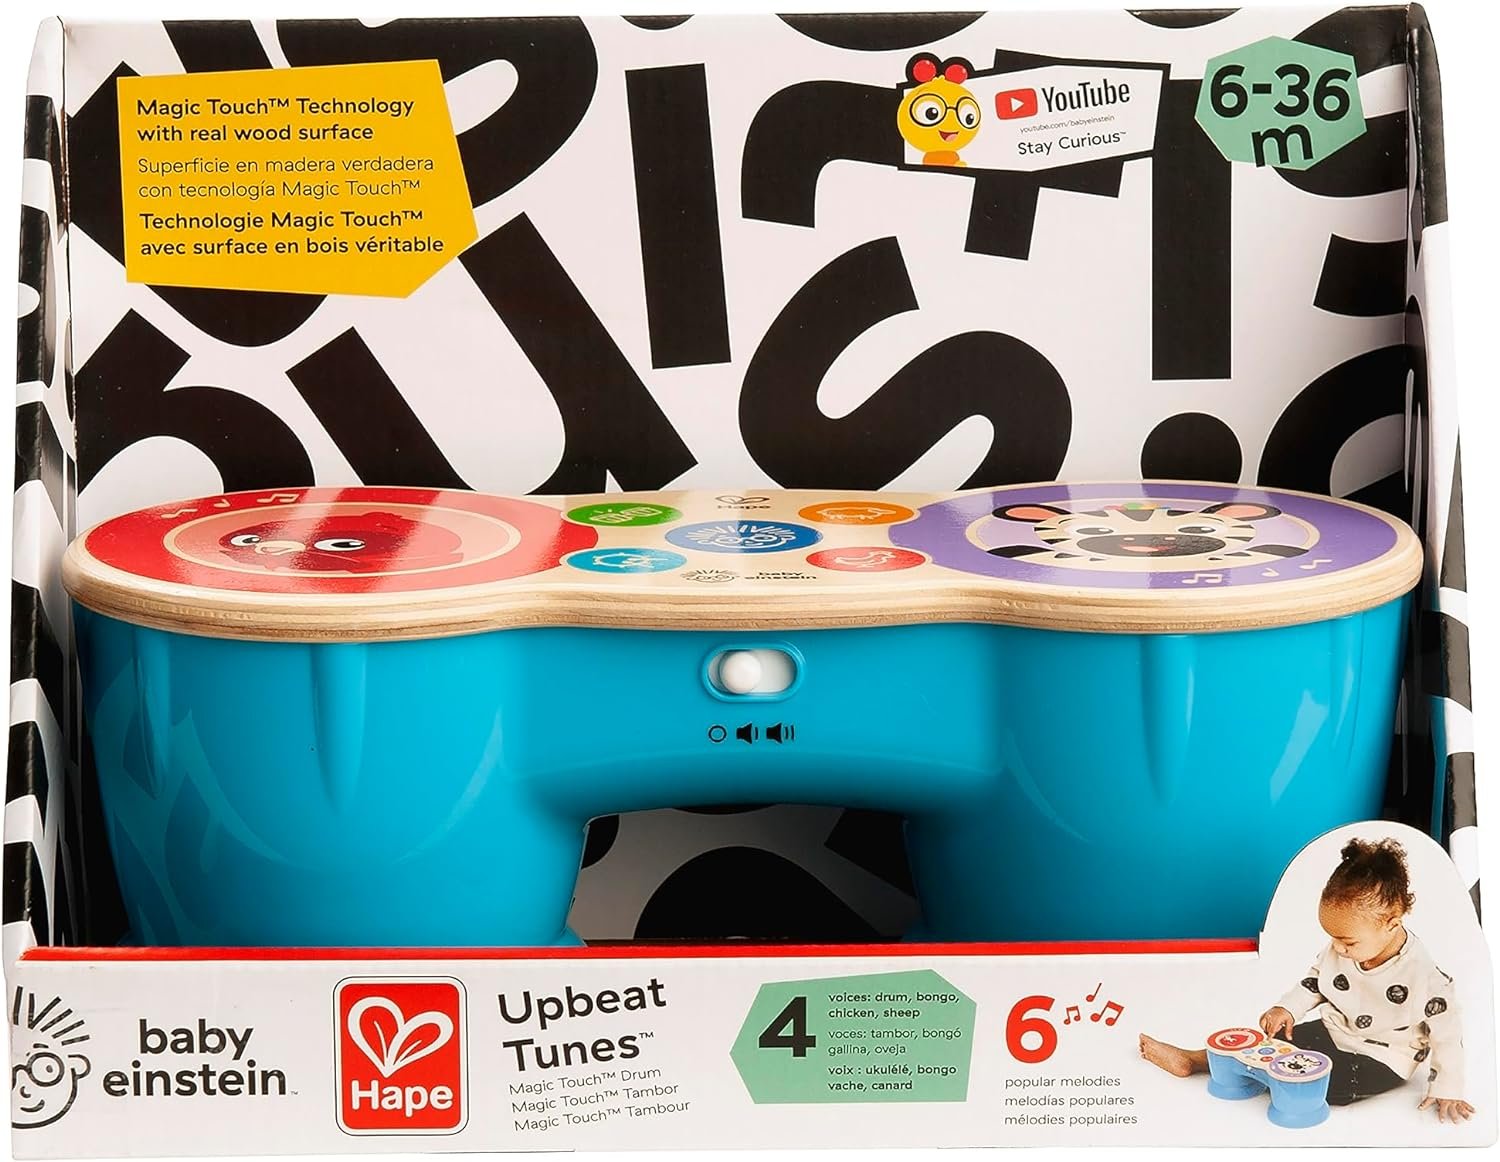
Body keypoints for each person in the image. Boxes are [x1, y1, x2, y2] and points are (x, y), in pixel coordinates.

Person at [1140, 838, 1473, 1122]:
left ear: (1392, 924)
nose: (1338, 948)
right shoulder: (1346, 946)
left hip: (1384, 1057)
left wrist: (1448, 1087)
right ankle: (1197, 1060)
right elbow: (1316, 981)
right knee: (1270, 1042)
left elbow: (1448, 1034)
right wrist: (1287, 1009)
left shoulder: (1424, 976)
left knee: (1335, 1084)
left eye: (1347, 941)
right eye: (1333, 938)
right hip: (1335, 1030)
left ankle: (1265, 1078)